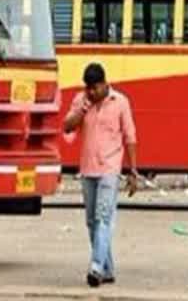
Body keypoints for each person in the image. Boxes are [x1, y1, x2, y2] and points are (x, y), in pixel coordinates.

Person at [63, 62, 138, 288]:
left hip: (110, 169)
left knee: (103, 217)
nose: (92, 92)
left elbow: (130, 136)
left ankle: (96, 266)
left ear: (105, 84)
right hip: (87, 169)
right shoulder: (80, 100)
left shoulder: (120, 102)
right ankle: (108, 268)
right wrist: (82, 109)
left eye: (95, 88)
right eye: (89, 89)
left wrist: (132, 170)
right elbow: (67, 127)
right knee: (91, 222)